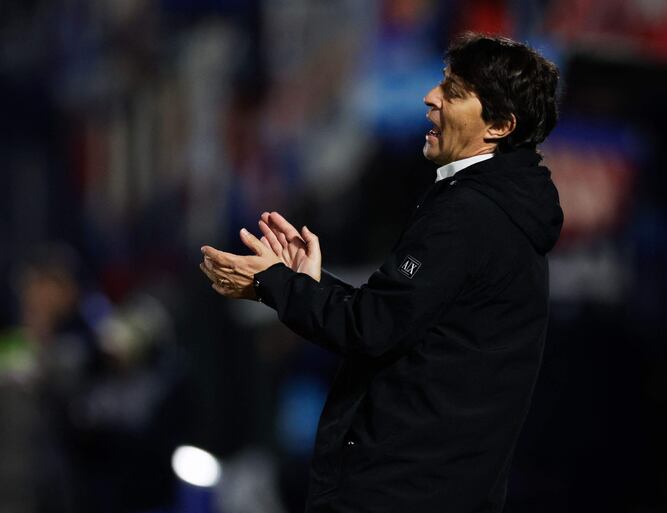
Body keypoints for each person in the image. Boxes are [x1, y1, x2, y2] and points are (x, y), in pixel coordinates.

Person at [200, 33, 563, 513]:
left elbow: (371, 328)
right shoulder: (503, 212)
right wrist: (306, 283)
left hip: (404, 492)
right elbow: (399, 316)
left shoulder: (470, 215)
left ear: (498, 125)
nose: (431, 98)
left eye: (453, 93)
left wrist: (275, 283)